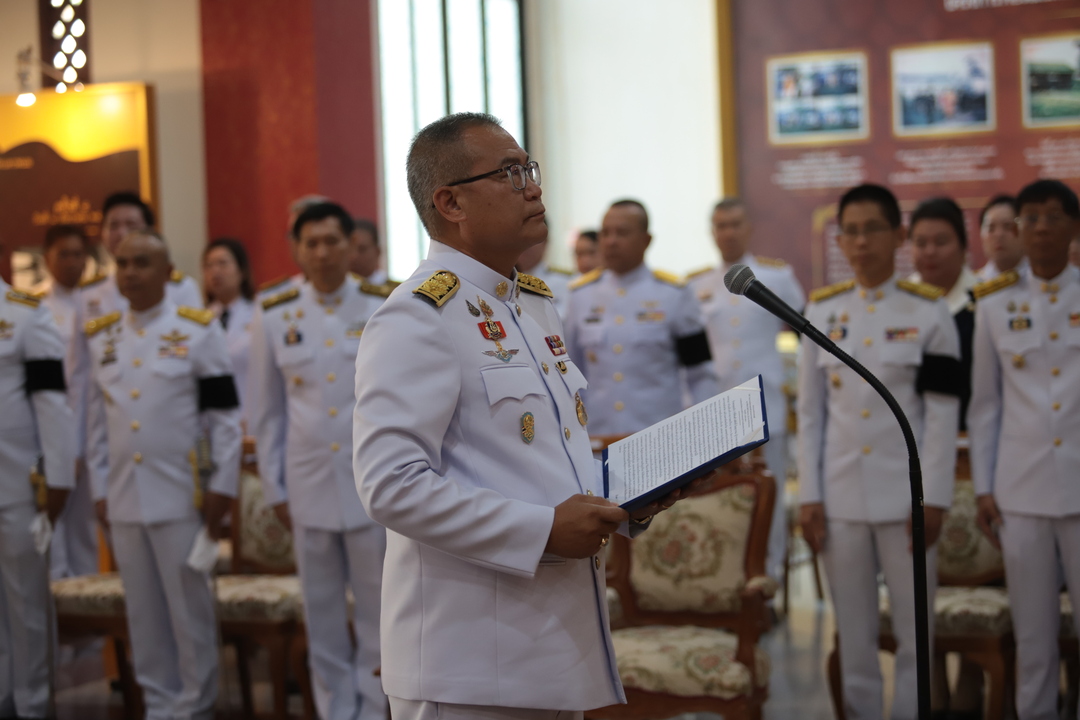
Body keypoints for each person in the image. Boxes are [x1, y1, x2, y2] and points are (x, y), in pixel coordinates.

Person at [352, 112, 690, 720]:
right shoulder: (417, 316)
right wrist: (541, 530)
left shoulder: (531, 306)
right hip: (467, 660)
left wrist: (626, 494)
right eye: (510, 173)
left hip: (548, 647)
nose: (532, 187)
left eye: (528, 168)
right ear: (450, 202)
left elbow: (542, 457)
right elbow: (389, 486)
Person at [798, 183, 961, 720]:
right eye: (851, 231)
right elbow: (813, 415)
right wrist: (811, 494)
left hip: (907, 503)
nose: (861, 242)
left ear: (898, 237)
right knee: (855, 639)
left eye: (873, 229)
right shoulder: (820, 313)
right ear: (840, 240)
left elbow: (941, 415)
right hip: (841, 501)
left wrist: (933, 496)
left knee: (916, 637)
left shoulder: (931, 314)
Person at [85, 230, 241, 720]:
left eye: (142, 263)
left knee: (188, 612)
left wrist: (220, 492)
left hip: (182, 496)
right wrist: (98, 490)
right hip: (125, 498)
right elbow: (94, 425)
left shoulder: (197, 330)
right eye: (123, 263)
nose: (130, 271)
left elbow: (225, 422)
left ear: (168, 270)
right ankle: (158, 704)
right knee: (144, 615)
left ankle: (195, 706)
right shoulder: (103, 337)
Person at [249, 201, 389, 720]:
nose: (324, 252)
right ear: (298, 250)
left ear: (351, 245)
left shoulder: (382, 304)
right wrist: (276, 487)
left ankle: (374, 709)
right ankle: (336, 711)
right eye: (312, 243)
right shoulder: (274, 312)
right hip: (307, 485)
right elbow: (266, 414)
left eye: (334, 241)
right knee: (322, 611)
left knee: (378, 610)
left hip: (371, 484)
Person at [969, 179, 1080, 720]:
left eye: (1053, 217)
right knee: (1033, 637)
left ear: (1074, 229)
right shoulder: (994, 303)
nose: (1039, 228)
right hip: (1021, 490)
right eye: (1029, 218)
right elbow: (985, 405)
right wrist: (985, 487)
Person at [688, 197, 805, 584]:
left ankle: (767, 582)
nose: (728, 233)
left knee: (767, 499)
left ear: (749, 227)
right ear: (712, 232)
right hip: (713, 410)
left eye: (735, 224)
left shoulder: (778, 276)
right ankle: (725, 583)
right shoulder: (696, 284)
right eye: (720, 225)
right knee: (718, 498)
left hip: (765, 405)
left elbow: (805, 337)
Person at [564, 199, 719, 436]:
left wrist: (703, 435)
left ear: (647, 240)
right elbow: (571, 372)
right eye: (606, 233)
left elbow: (700, 374)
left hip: (659, 437)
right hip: (598, 438)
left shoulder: (674, 294)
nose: (611, 241)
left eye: (622, 233)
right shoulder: (580, 295)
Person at [0, 275, 74, 720]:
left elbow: (51, 400)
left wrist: (58, 478)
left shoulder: (24, 312)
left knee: (25, 599)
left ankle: (31, 704)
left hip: (17, 482)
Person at [36, 225, 99, 580]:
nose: (73, 262)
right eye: (64, 254)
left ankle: (89, 629)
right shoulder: (37, 308)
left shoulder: (100, 303)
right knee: (53, 524)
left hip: (93, 430)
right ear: (46, 258)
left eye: (79, 254)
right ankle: (61, 616)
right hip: (53, 432)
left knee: (86, 530)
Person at [909, 197, 980, 429]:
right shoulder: (899, 305)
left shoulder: (983, 305)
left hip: (970, 440)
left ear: (963, 245)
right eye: (920, 242)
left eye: (941, 242)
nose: (930, 252)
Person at [79, 192, 202, 319]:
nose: (122, 233)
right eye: (113, 226)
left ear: (149, 230)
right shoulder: (88, 292)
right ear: (103, 233)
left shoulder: (181, 287)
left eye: (131, 225)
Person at [203, 237, 256, 425]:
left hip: (250, 417)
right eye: (209, 265)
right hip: (212, 423)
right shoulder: (201, 320)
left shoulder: (257, 315)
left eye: (222, 263)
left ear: (241, 271)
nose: (215, 271)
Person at [257, 194, 330, 298]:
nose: (295, 242)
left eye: (308, 238)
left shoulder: (358, 292)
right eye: (293, 235)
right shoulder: (274, 296)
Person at [516, 236, 573, 317]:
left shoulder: (565, 281)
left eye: (532, 240)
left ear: (545, 242)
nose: (526, 246)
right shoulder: (504, 281)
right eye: (519, 240)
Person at [976, 195, 1025, 281]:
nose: (999, 234)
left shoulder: (1042, 280)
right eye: (991, 228)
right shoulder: (975, 285)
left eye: (1007, 226)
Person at [349, 217, 398, 289]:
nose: (354, 256)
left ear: (377, 252)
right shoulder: (333, 289)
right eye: (350, 249)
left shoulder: (394, 291)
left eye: (362, 249)